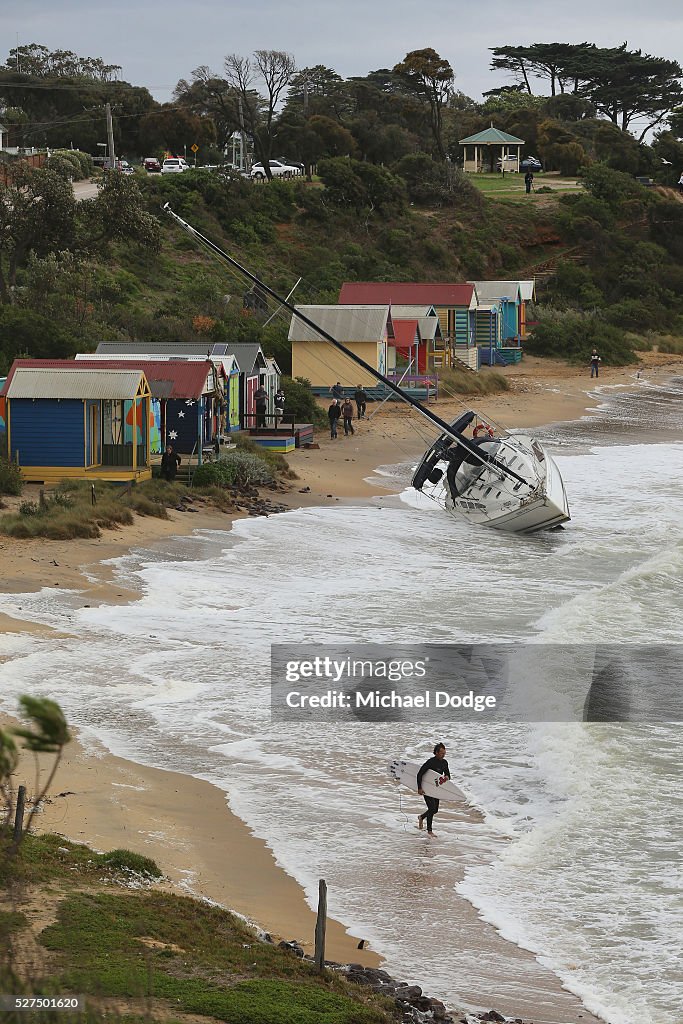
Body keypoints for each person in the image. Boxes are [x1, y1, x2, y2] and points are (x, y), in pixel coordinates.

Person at [417, 742, 450, 838]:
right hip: (426, 788)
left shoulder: (444, 763)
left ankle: (421, 817)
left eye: (444, 753)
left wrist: (447, 777)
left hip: (436, 788)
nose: (443, 755)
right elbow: (420, 774)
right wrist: (419, 788)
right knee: (431, 808)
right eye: (441, 753)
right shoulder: (430, 762)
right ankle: (429, 831)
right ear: (436, 753)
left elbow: (447, 774)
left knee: (435, 810)